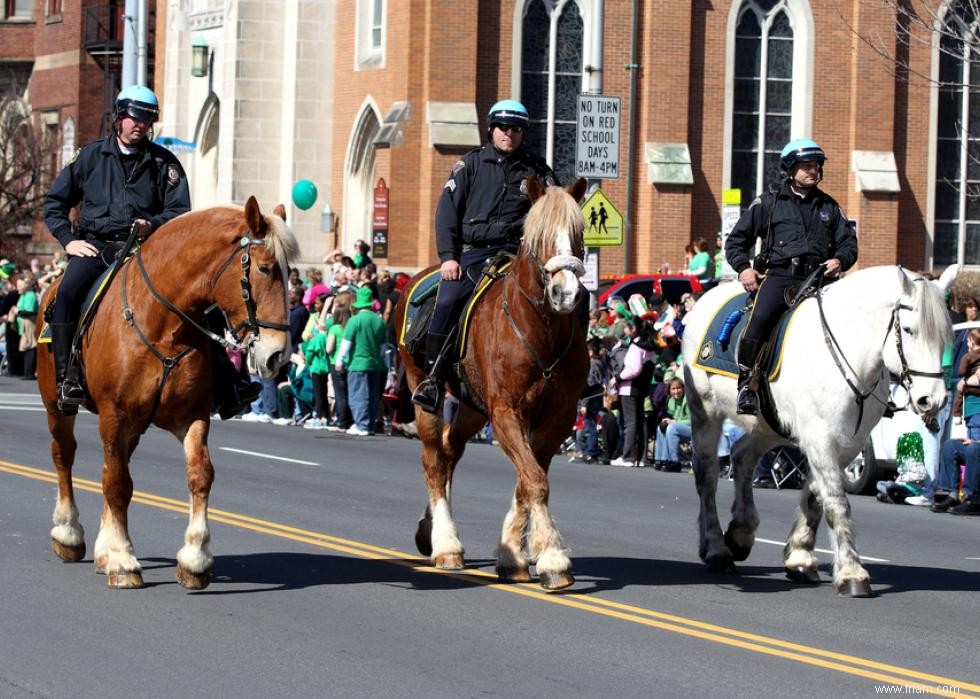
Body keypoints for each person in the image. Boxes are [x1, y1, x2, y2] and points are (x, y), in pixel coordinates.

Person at [42, 87, 202, 407]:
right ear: (119, 116)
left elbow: (179, 211)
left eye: (147, 119)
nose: (139, 125)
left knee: (198, 294)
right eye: (133, 117)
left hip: (146, 249)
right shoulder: (88, 157)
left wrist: (152, 224)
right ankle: (66, 379)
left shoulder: (164, 163)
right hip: (96, 248)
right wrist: (69, 241)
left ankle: (229, 385)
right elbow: (54, 203)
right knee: (68, 291)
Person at [410, 99, 558, 413]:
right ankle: (433, 378)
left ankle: (575, 374)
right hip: (473, 254)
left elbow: (553, 207)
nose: (509, 134)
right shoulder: (470, 164)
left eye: (516, 129)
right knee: (448, 301)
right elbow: (446, 213)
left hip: (518, 252)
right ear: (491, 129)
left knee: (570, 296)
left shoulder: (538, 169)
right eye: (504, 128)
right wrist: (449, 257)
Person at [725, 138, 858, 415]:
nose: (813, 171)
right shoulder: (769, 203)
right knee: (760, 319)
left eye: (816, 166)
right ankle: (747, 385)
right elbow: (736, 241)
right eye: (806, 165)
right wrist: (744, 268)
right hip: (782, 277)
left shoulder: (830, 207)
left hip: (822, 280)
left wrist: (840, 259)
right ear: (790, 168)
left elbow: (849, 244)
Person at [335, 286, 387, 435]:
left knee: (358, 395)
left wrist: (339, 360)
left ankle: (361, 425)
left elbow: (346, 343)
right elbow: (384, 348)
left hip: (357, 364)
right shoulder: (379, 321)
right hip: (375, 364)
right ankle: (369, 424)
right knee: (372, 396)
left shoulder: (354, 321)